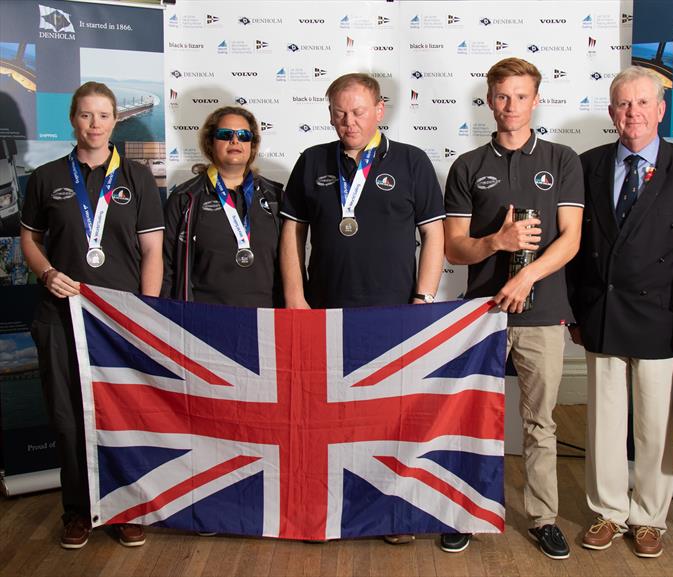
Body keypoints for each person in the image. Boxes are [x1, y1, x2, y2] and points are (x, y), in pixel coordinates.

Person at [279, 72, 445, 543]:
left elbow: (434, 235)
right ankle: (326, 506)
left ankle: (390, 512)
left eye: (357, 111)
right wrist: (295, 295)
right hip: (324, 311)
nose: (347, 122)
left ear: (379, 110)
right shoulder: (312, 161)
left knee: (387, 416)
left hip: (394, 314)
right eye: (338, 112)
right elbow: (293, 232)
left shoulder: (411, 161)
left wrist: (423, 299)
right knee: (323, 416)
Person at [567, 66, 673, 558]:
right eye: (623, 104)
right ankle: (608, 511)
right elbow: (574, 244)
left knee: (655, 424)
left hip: (662, 314)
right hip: (602, 309)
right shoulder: (585, 165)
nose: (632, 113)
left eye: (641, 103)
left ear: (660, 109)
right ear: (612, 112)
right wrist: (574, 311)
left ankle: (650, 517)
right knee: (605, 421)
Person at [443, 57, 583, 557]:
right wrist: (497, 242)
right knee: (471, 416)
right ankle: (463, 509)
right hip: (481, 315)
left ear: (536, 99)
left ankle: (543, 516)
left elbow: (571, 240)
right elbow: (453, 248)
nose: (512, 106)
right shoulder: (467, 166)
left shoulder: (562, 160)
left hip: (542, 314)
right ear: (489, 101)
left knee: (540, 423)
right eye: (503, 96)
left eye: (521, 96)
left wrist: (525, 274)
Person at [20, 81, 164, 549]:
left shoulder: (138, 177)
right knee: (67, 419)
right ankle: (78, 511)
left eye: (103, 115)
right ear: (73, 119)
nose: (95, 124)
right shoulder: (45, 177)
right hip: (61, 316)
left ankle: (126, 509)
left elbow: (152, 251)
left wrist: (145, 315)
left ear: (115, 120)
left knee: (123, 414)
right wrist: (45, 274)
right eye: (85, 115)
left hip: (119, 320)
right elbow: (29, 242)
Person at [162, 106, 283, 307]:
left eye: (244, 135)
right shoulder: (185, 198)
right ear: (210, 143)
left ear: (252, 145)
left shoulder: (275, 197)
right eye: (225, 134)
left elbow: (292, 264)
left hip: (266, 319)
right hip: (204, 319)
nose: (235, 141)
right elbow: (166, 267)